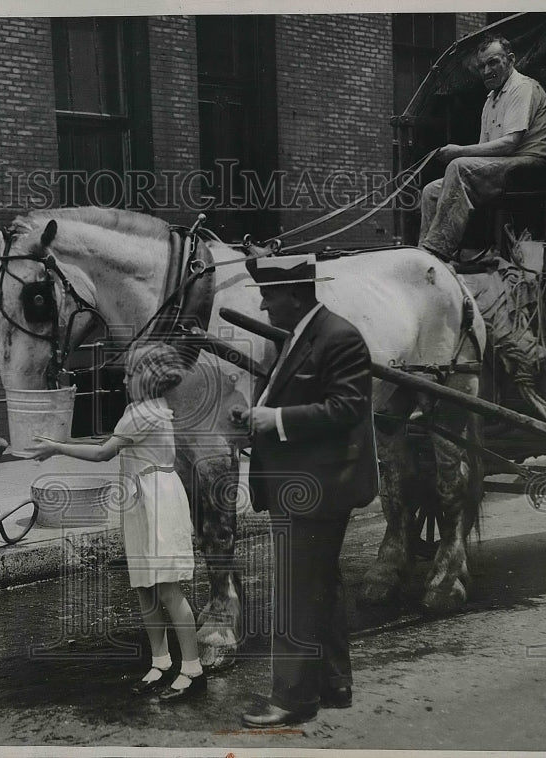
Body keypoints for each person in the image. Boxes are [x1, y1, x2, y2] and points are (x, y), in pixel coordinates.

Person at [230, 255, 378, 728]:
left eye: (269, 296)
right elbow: (295, 398)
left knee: (297, 591)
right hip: (304, 484)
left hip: (318, 488)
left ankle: (292, 700)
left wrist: (273, 420)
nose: (263, 303)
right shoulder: (302, 335)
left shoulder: (340, 337)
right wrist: (257, 418)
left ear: (295, 295)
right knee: (322, 585)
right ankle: (334, 684)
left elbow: (347, 408)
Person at [32, 342, 206, 702]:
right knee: (144, 585)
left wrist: (56, 446)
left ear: (151, 377)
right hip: (143, 497)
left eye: (132, 372)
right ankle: (160, 660)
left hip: (156, 500)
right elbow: (112, 443)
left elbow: (102, 452)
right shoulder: (142, 409)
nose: (126, 378)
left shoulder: (143, 413)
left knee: (168, 590)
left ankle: (192, 668)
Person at [419, 35, 546, 261]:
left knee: (459, 166)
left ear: (510, 60)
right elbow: (483, 150)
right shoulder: (490, 99)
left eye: (493, 62)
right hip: (504, 167)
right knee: (431, 191)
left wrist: (458, 151)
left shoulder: (522, 88)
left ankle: (437, 251)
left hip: (529, 166)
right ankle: (424, 256)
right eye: (481, 66)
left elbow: (510, 144)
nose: (487, 70)